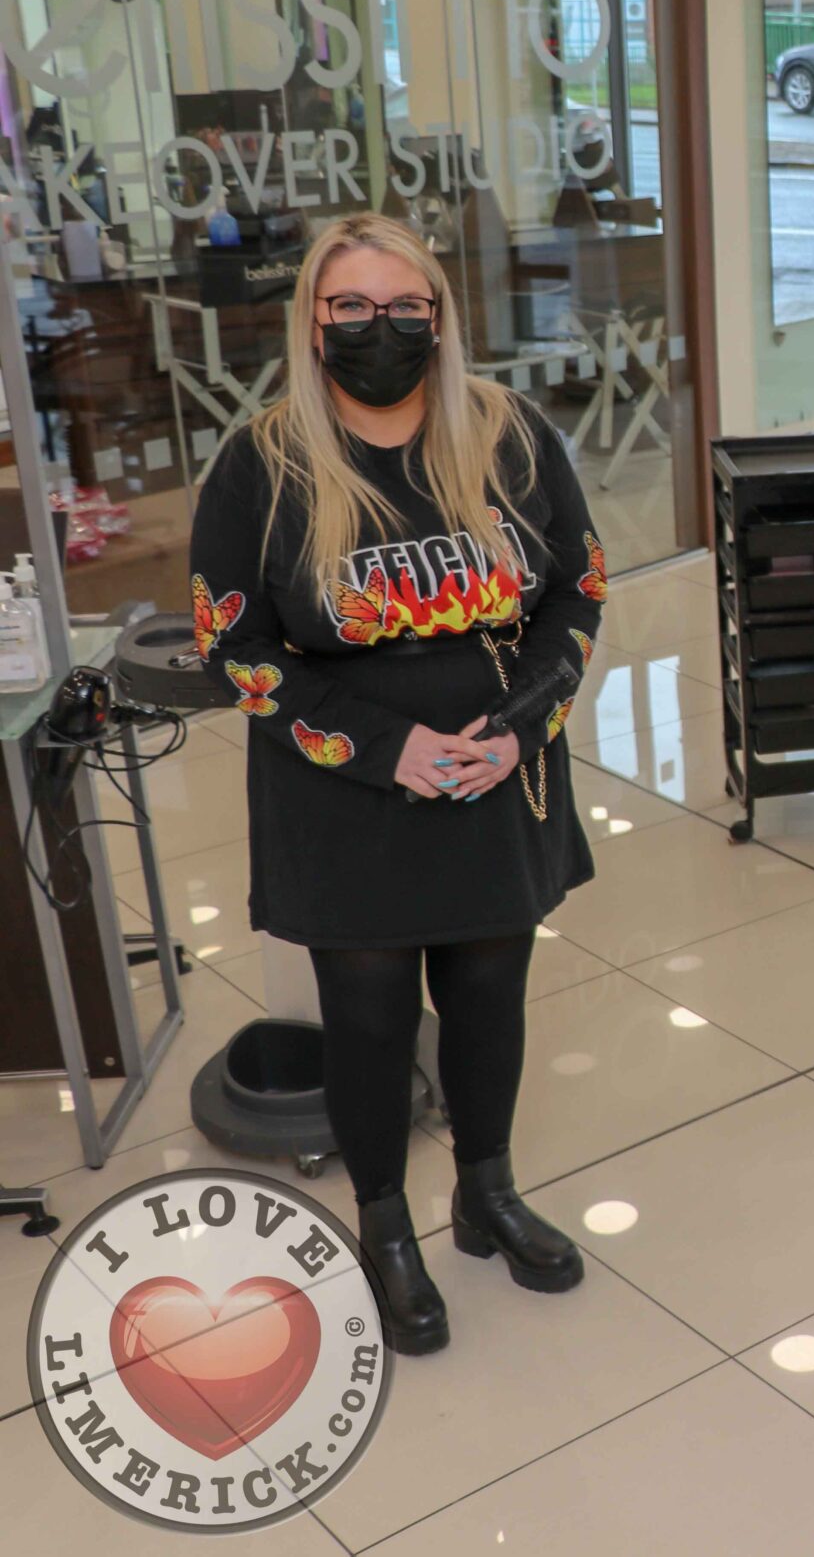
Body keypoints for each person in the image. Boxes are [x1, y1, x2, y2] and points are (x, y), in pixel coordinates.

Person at [189, 212, 606, 1356]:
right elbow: (235, 646)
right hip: (345, 793)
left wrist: (522, 730)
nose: (383, 328)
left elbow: (577, 593)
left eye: (406, 305)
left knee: (488, 998)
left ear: (441, 313)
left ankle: (487, 1191)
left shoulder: (510, 437)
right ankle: (383, 1227)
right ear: (313, 324)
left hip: (495, 774)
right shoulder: (263, 463)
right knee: (369, 1023)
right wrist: (386, 749)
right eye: (352, 309)